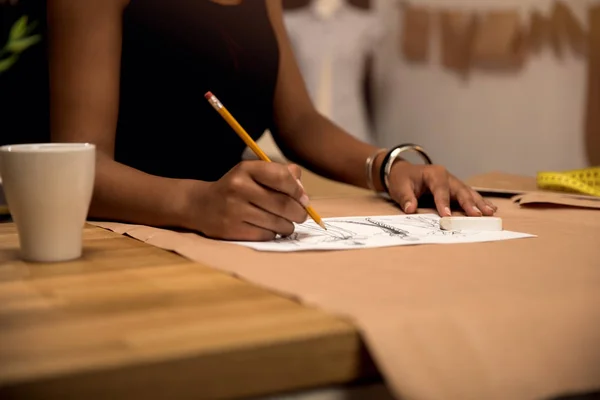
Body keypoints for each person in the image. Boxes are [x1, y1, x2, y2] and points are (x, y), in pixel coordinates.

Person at [42, 0, 496, 241]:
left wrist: (390, 167)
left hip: (235, 239)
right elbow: (77, 168)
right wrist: (196, 204)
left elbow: (298, 121)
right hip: (122, 241)